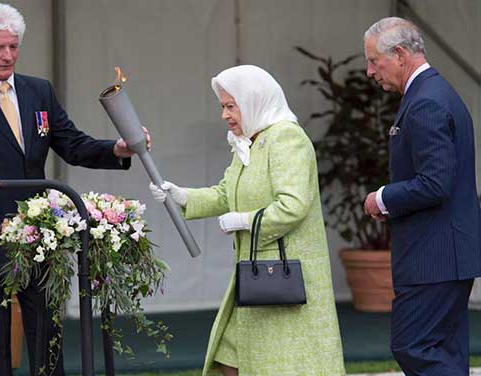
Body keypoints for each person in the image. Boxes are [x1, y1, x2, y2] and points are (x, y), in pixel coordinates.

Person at [0, 3, 150, 375]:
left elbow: (71, 143)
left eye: (14, 46)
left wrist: (116, 148)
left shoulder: (38, 91)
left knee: (47, 339)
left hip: (41, 236)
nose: (8, 56)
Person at [150, 65, 345, 376]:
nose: (225, 115)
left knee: (272, 364)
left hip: (285, 273)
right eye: (223, 107)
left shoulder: (286, 138)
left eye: (231, 106)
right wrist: (182, 196)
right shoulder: (248, 142)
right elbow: (227, 194)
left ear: (254, 100)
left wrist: (243, 221)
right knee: (230, 356)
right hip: (257, 273)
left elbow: (293, 205)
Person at [363, 17, 481, 375]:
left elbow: (434, 183)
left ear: (399, 54)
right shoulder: (432, 93)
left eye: (373, 61)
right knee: (445, 351)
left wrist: (382, 198)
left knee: (412, 344)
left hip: (435, 257)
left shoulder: (427, 101)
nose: (369, 71)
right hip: (447, 253)